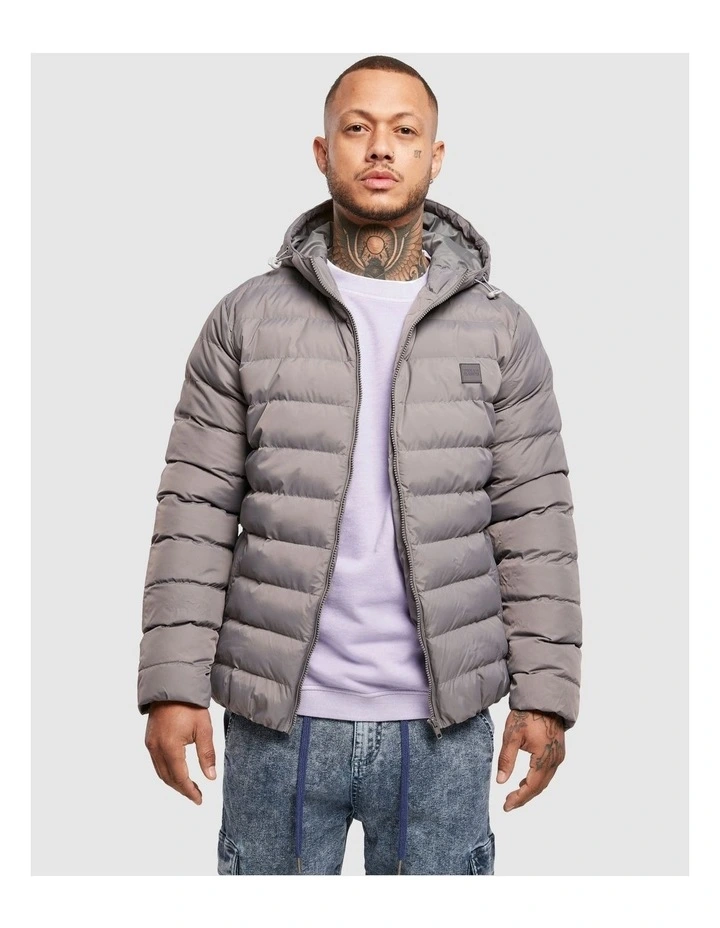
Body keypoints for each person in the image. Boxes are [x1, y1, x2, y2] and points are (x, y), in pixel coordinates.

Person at [137, 55, 583, 876]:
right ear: (323, 151)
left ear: (434, 156)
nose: (381, 147)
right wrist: (172, 686)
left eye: (405, 131)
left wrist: (546, 695)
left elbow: (534, 521)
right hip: (278, 720)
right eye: (357, 128)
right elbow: (195, 509)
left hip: (443, 726)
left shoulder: (501, 330)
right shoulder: (246, 319)